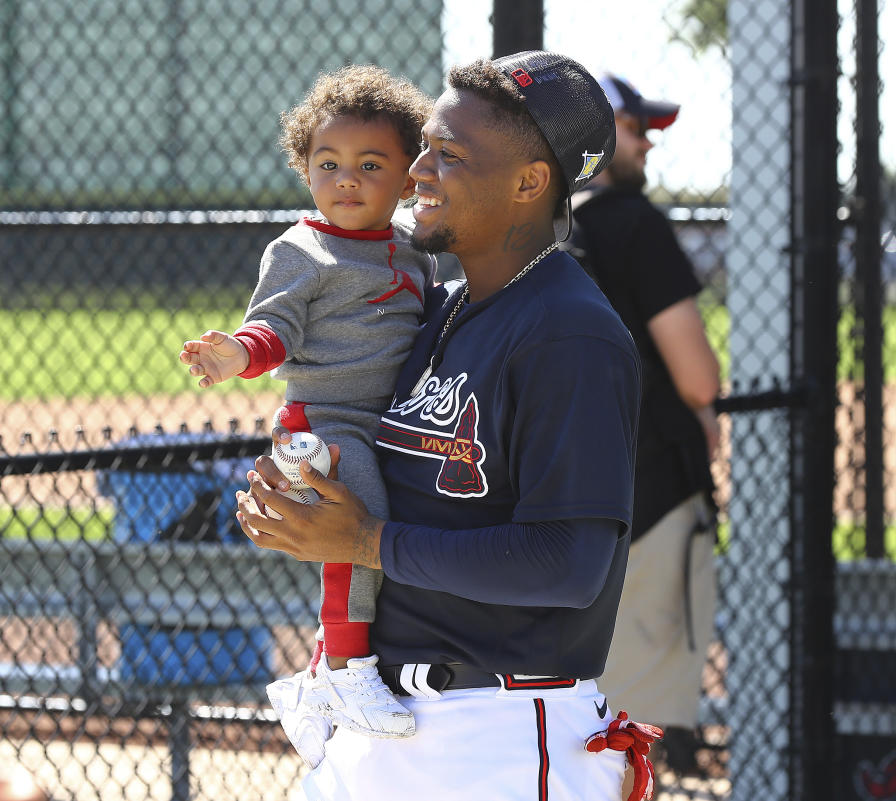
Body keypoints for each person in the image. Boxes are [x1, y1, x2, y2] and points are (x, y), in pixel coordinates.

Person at [236, 51, 661, 801]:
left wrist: (365, 541)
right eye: (426, 144)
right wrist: (308, 489)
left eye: (449, 153)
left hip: (494, 735)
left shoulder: (568, 333)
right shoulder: (438, 308)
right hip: (390, 722)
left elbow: (568, 563)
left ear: (530, 183)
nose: (418, 169)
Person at [178, 65, 437, 762]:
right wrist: (236, 354)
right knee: (360, 524)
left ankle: (321, 673)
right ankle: (350, 670)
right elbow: (272, 329)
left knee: (397, 523)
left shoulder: (413, 245)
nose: (345, 178)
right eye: (328, 163)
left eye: (369, 164)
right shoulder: (301, 249)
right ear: (305, 168)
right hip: (323, 428)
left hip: (389, 424)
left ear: (409, 177)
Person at [564, 73, 721, 779]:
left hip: (554, 498)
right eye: (633, 128)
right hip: (651, 487)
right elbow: (697, 376)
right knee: (636, 722)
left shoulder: (531, 231)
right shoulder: (633, 220)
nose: (648, 143)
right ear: (588, 138)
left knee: (573, 710)